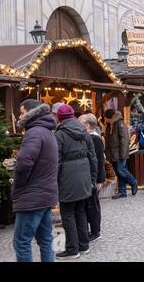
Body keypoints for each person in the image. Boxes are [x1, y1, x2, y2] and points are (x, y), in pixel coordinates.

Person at [12, 100, 58, 262]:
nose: (19, 116)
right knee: (46, 240)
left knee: (22, 242)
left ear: (31, 112)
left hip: (32, 196)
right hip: (45, 195)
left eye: (22, 112)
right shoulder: (47, 131)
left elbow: (24, 163)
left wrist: (18, 185)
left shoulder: (34, 133)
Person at [54, 104, 98, 260]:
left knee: (68, 214)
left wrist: (55, 181)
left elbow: (56, 161)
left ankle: (72, 249)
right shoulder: (84, 131)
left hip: (68, 177)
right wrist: (93, 178)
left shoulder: (59, 134)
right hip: (84, 176)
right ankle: (83, 245)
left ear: (58, 117)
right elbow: (93, 157)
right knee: (80, 211)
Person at [78, 113, 106, 242]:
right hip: (89, 176)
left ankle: (96, 231)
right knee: (88, 205)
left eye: (80, 122)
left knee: (92, 205)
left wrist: (99, 179)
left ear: (88, 125)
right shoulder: (89, 137)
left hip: (93, 177)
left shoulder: (94, 139)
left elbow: (99, 160)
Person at [104, 109, 138, 199]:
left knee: (121, 170)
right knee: (118, 173)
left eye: (105, 118)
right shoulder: (109, 125)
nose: (104, 119)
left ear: (109, 117)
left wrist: (123, 154)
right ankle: (122, 191)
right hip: (113, 153)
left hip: (119, 153)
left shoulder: (119, 123)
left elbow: (124, 139)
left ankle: (133, 182)